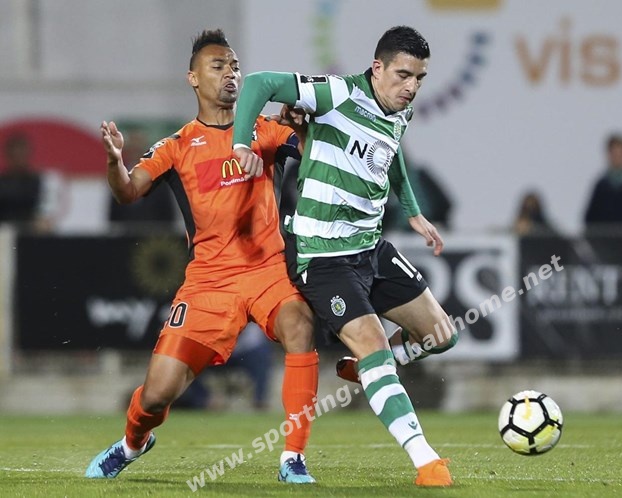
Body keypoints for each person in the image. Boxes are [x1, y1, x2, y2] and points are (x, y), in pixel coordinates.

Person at [85, 29, 319, 484]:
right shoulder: (177, 145)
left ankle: (293, 457)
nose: (231, 74)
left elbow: (315, 156)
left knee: (300, 327)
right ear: (193, 77)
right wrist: (114, 162)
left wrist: (305, 127)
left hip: (268, 271)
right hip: (209, 283)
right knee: (157, 395)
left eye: (235, 66)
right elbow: (128, 192)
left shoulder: (267, 129)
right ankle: (132, 443)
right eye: (218, 66)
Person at [233, 25, 458, 487]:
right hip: (322, 256)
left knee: (442, 335)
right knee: (376, 345)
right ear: (377, 68)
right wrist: (240, 143)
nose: (412, 86)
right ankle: (426, 462)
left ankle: (366, 368)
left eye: (420, 78)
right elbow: (258, 83)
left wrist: (413, 210)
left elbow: (391, 151)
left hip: (370, 248)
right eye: (403, 75)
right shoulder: (338, 94)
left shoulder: (400, 110)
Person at [107, 127, 178, 231]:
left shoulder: (159, 177)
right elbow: (113, 215)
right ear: (127, 150)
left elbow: (168, 215)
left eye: (138, 147)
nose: (135, 151)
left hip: (153, 236)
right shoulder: (119, 176)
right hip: (125, 236)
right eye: (133, 148)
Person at [0, 133, 61, 232]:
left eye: (21, 153)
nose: (18, 158)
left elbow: (46, 208)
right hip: (3, 231)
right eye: (15, 154)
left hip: (32, 230)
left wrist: (43, 221)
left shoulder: (40, 181)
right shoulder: (2, 182)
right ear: (8, 155)